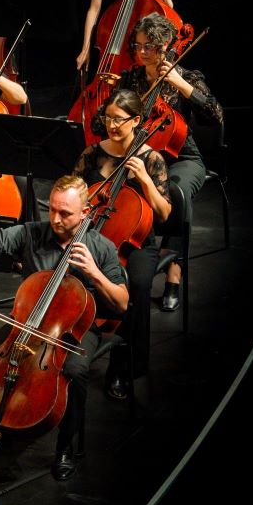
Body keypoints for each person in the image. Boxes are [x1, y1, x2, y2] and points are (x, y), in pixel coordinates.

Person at [0, 175, 129, 483]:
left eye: (66, 213)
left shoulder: (101, 248)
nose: (56, 219)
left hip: (72, 327)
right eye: (53, 210)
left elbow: (123, 303)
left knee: (74, 371)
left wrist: (95, 275)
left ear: (85, 212)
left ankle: (65, 449)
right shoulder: (33, 233)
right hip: (27, 320)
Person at [93, 12, 223, 311]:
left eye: (147, 46)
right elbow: (103, 123)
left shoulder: (188, 76)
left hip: (180, 157)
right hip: (136, 155)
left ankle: (174, 275)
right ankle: (114, 267)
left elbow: (215, 115)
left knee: (176, 192)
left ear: (166, 44)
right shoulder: (131, 79)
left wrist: (178, 83)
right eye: (136, 46)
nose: (140, 53)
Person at [74, 88, 170, 399]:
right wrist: (89, 197)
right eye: (108, 118)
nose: (111, 126)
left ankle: (125, 369)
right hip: (96, 232)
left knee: (138, 285)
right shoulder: (92, 153)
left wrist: (143, 179)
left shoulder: (151, 159)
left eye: (119, 120)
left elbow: (165, 213)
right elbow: (71, 193)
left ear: (137, 120)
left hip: (138, 241)